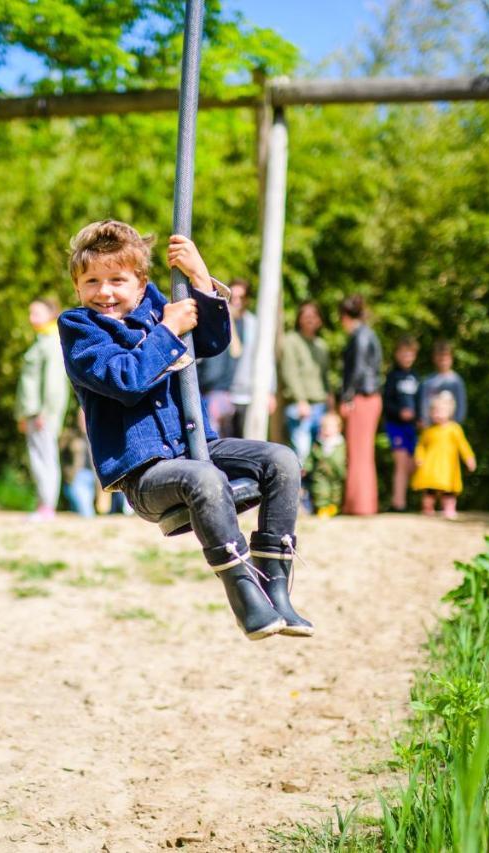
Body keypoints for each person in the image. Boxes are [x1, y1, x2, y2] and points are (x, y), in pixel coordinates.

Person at [58, 220, 310, 640]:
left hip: (199, 447)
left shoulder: (159, 303)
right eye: (92, 281)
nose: (104, 292)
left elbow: (211, 343)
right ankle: (245, 593)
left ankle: (276, 587)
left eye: (117, 280)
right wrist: (167, 331)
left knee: (282, 461)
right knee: (204, 478)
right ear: (77, 286)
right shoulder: (80, 330)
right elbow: (126, 380)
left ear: (141, 283)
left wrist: (198, 279)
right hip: (146, 473)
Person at [16, 296, 70, 521]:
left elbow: (53, 383)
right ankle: (44, 504)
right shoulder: (40, 341)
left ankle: (47, 507)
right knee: (38, 456)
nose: (31, 318)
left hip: (42, 413)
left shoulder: (51, 342)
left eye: (36, 313)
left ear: (51, 314)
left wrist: (44, 412)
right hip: (33, 412)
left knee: (44, 458)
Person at [337, 295, 382, 515]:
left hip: (362, 398)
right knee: (363, 452)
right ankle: (363, 504)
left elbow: (357, 370)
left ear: (345, 317)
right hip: (370, 398)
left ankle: (359, 506)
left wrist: (347, 398)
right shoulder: (368, 334)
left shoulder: (360, 337)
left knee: (358, 453)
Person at [279, 301, 335, 468]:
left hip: (320, 406)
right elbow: (290, 373)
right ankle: (298, 493)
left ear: (320, 320)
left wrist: (331, 405)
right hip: (300, 407)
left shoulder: (321, 346)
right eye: (306, 316)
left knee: (319, 455)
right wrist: (301, 400)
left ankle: (312, 493)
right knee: (301, 454)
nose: (310, 320)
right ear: (300, 319)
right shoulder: (291, 341)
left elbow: (326, 377)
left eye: (314, 316)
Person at [411, 390, 477, 520]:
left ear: (450, 412)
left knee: (449, 491)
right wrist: (419, 457)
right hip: (431, 467)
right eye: (435, 411)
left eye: (441, 411)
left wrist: (469, 458)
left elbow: (463, 446)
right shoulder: (428, 431)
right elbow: (421, 446)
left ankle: (449, 509)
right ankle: (427, 509)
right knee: (429, 490)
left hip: (448, 468)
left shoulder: (454, 429)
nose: (438, 414)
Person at [225, 279, 276, 437]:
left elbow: (267, 359)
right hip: (224, 394)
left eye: (241, 297)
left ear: (247, 299)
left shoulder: (254, 325)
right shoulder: (220, 324)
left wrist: (270, 391)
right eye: (233, 297)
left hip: (249, 395)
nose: (237, 302)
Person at [194, 280, 243, 437]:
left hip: (214, 392)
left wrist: (202, 382)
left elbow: (214, 369)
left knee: (211, 439)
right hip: (224, 393)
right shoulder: (233, 327)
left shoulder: (222, 327)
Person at [383, 334, 421, 512]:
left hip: (411, 427)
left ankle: (412, 499)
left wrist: (418, 418)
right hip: (395, 425)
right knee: (400, 462)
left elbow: (420, 401)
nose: (407, 357)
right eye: (404, 353)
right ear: (397, 354)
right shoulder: (392, 376)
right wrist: (400, 412)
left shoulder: (415, 377)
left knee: (412, 464)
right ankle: (399, 503)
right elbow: (387, 402)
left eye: (410, 354)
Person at [418, 340, 468, 427]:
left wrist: (456, 423)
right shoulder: (428, 381)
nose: (443, 360)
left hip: (450, 428)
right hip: (431, 427)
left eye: (446, 357)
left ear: (451, 358)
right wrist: (425, 421)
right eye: (440, 357)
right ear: (434, 358)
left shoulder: (456, 381)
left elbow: (461, 405)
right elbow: (424, 404)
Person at [309, 411, 346, 518]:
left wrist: (343, 470)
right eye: (324, 427)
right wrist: (307, 467)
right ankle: (322, 508)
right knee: (320, 491)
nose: (326, 430)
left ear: (338, 429)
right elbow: (311, 456)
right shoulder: (318, 442)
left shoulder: (340, 443)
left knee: (336, 492)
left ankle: (333, 507)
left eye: (330, 427)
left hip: (336, 474)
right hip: (320, 474)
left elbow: (343, 459)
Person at [61, 411, 96, 518]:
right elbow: (62, 457)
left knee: (79, 509)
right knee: (86, 511)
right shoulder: (70, 436)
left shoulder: (95, 438)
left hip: (92, 478)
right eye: (81, 418)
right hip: (76, 477)